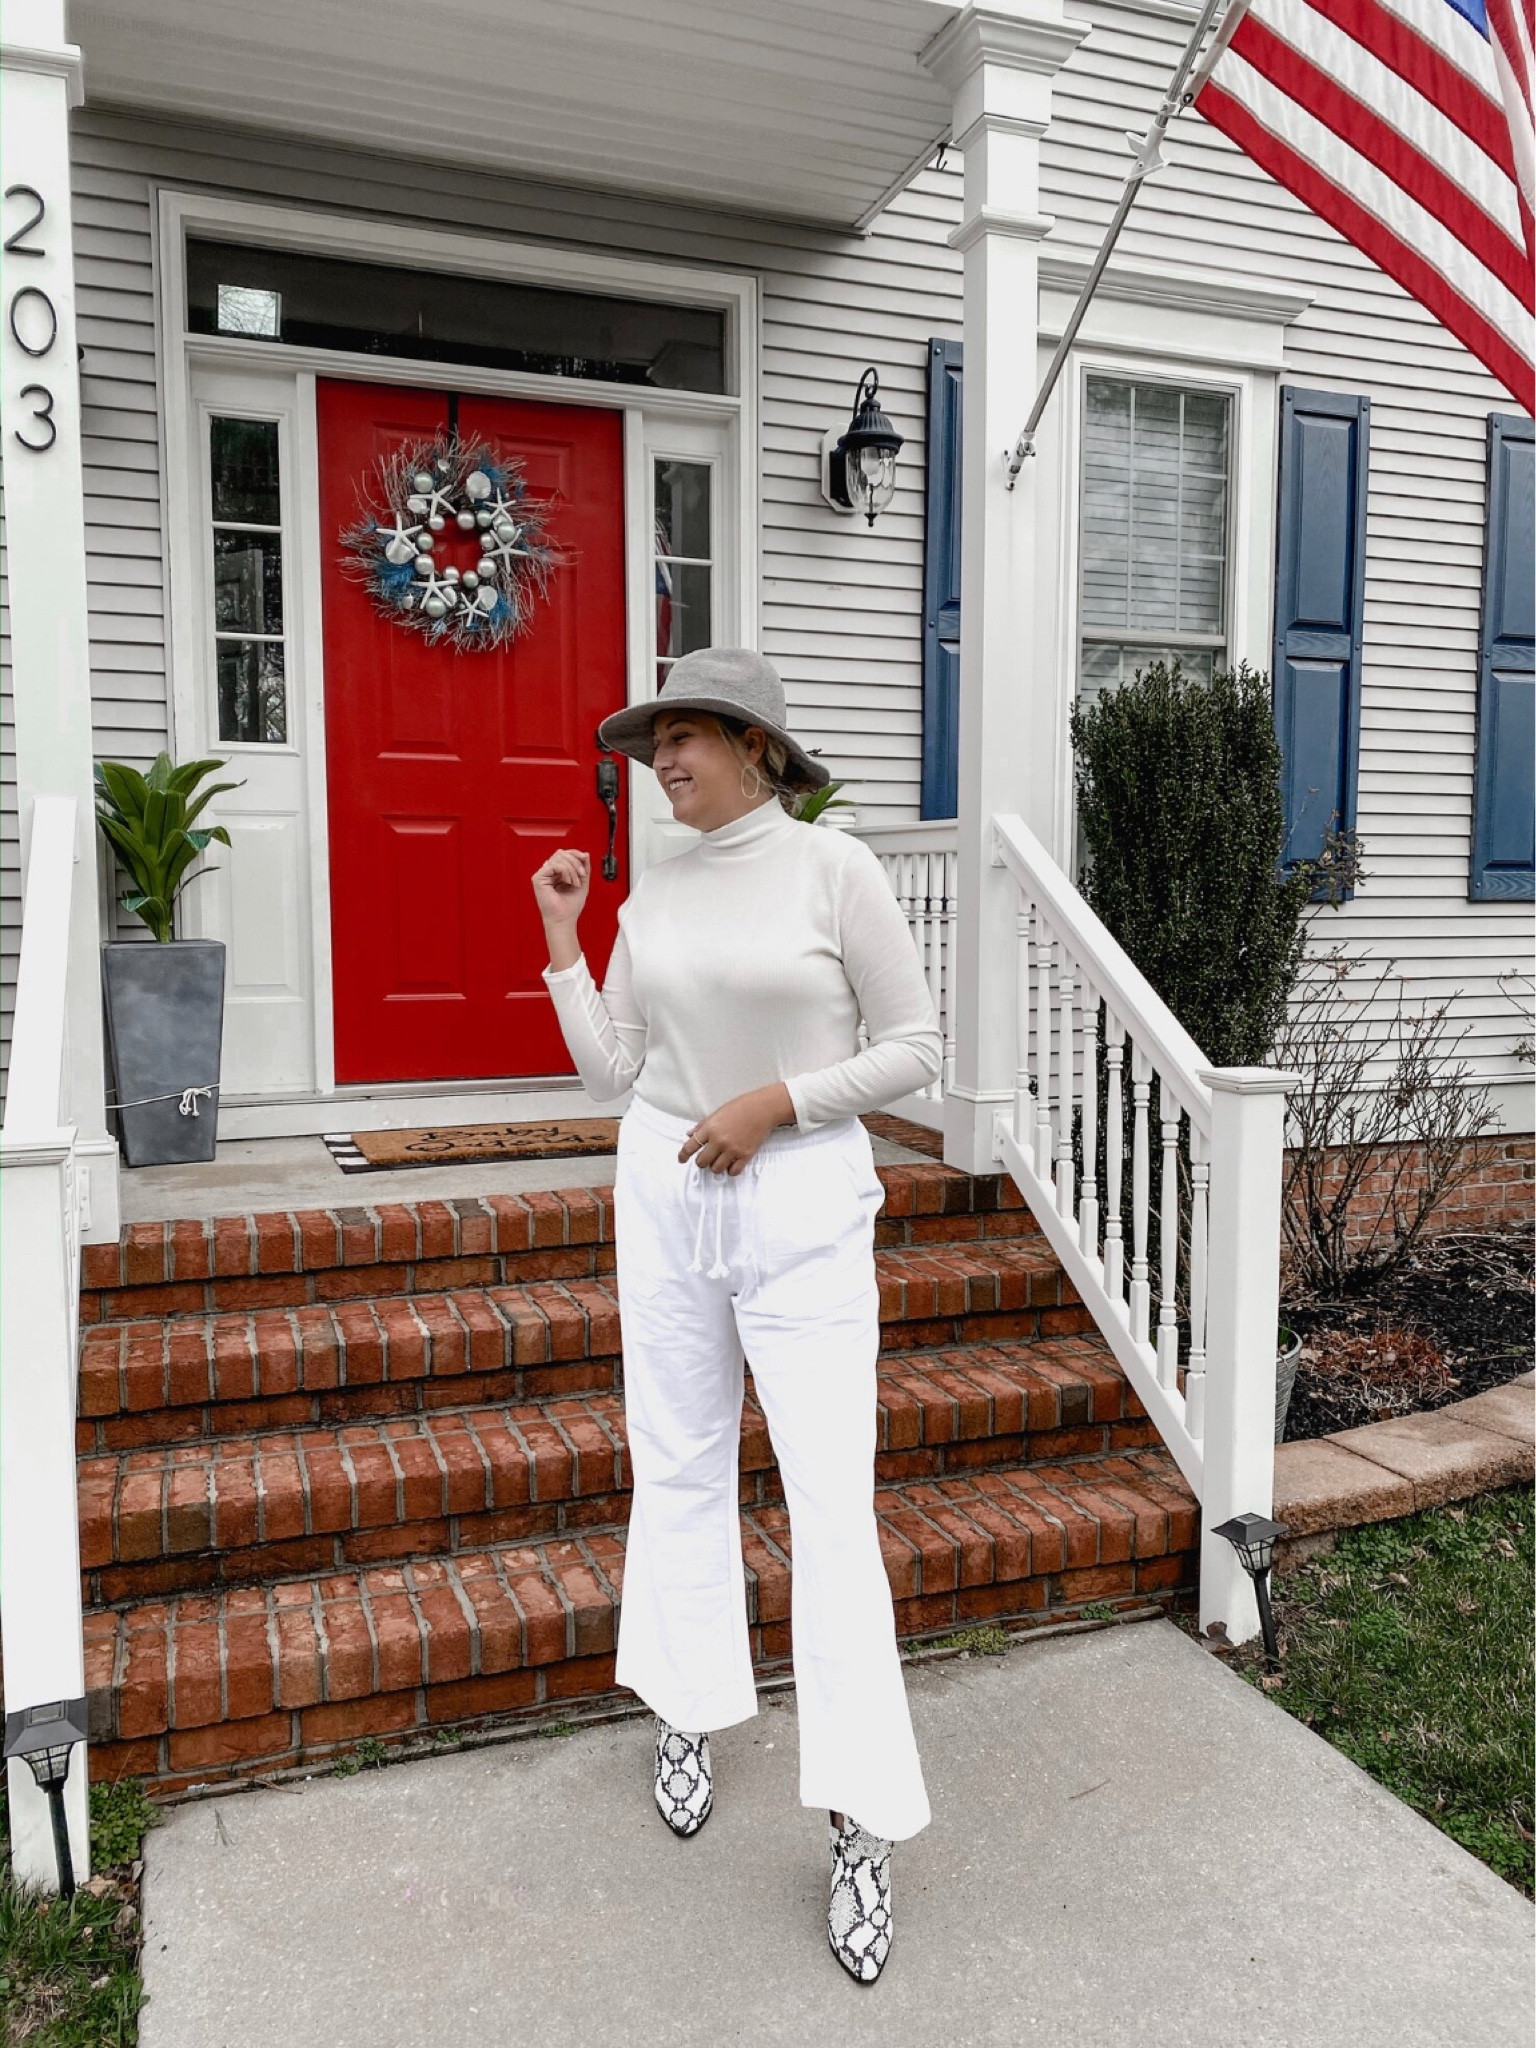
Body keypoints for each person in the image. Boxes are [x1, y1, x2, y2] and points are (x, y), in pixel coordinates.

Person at [530, 647, 940, 1984]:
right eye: (653, 742)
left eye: (686, 735)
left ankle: (863, 1824)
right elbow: (616, 1075)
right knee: (683, 1463)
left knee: (830, 1500)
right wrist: (563, 940)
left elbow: (917, 1046)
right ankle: (691, 1710)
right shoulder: (654, 888)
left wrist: (781, 1100)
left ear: (758, 747)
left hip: (803, 1199)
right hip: (662, 1192)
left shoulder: (837, 871)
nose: (662, 760)